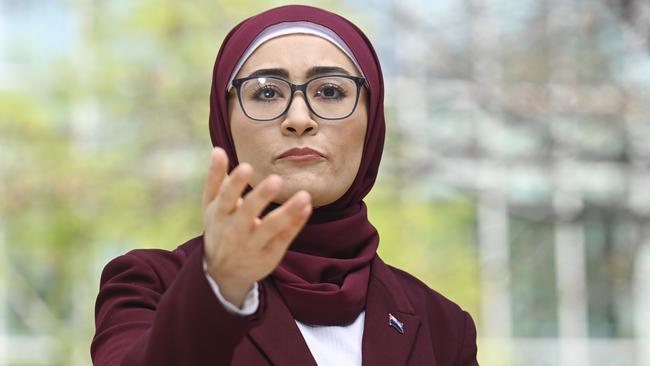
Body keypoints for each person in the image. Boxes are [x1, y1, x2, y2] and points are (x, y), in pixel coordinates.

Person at [91, 4, 479, 366]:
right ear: (224, 123)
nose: (299, 118)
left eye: (329, 91)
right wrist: (220, 289)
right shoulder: (149, 284)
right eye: (265, 92)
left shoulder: (442, 325)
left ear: (372, 119)